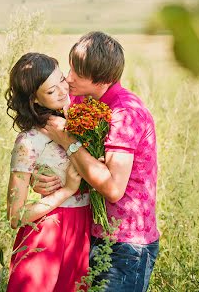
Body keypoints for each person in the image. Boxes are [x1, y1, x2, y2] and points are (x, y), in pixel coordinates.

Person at [39, 31, 159, 292]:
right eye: (70, 68)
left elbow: (113, 189)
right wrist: (43, 177)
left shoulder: (126, 113)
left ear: (102, 79)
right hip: (91, 233)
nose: (68, 79)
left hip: (126, 244)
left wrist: (68, 141)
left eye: (77, 73)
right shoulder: (83, 101)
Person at [5, 52, 91, 292]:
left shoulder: (82, 122)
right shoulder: (29, 141)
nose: (64, 92)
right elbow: (15, 216)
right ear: (35, 101)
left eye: (62, 80)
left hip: (82, 230)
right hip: (48, 235)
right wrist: (67, 190)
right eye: (52, 91)